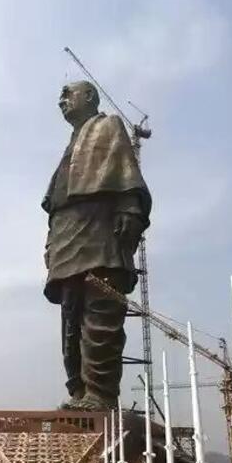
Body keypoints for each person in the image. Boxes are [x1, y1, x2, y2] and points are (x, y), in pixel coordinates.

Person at [43, 80, 152, 412]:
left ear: (88, 97)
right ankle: (79, 389)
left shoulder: (108, 126)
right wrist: (50, 240)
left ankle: (101, 395)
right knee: (71, 321)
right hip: (67, 234)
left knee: (101, 315)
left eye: (67, 93)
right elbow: (56, 200)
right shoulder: (70, 144)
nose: (60, 99)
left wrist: (129, 208)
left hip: (99, 229)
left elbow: (125, 171)